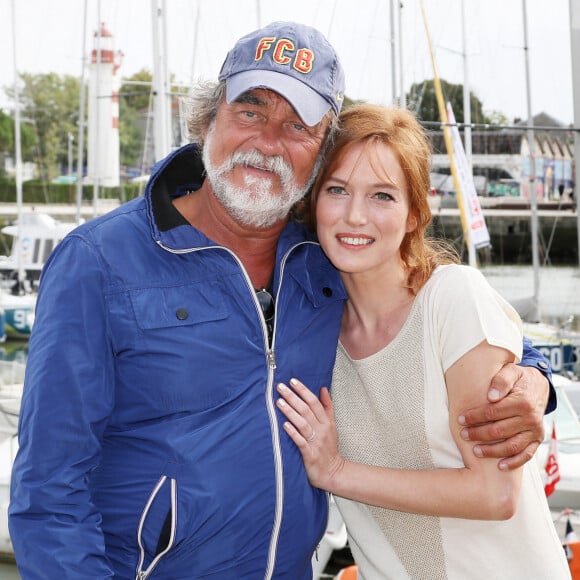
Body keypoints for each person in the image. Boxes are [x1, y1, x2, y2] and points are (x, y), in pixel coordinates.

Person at [9, 21, 552, 579]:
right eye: (250, 111)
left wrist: (534, 379)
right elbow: (49, 493)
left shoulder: (324, 257)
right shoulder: (98, 261)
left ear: (318, 157)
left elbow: (434, 310)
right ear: (208, 118)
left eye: (298, 125)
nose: (268, 141)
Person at [276, 103, 570, 579]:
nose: (355, 216)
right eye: (337, 190)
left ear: (415, 213)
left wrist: (336, 473)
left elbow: (494, 494)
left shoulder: (454, 299)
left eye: (382, 196)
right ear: (313, 204)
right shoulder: (314, 337)